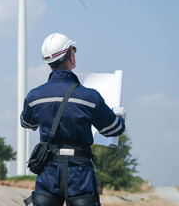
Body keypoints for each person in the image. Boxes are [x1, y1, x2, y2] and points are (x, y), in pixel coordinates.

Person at [21, 33, 126, 206]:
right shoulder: (89, 96)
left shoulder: (35, 96)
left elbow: (26, 123)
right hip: (80, 172)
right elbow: (114, 129)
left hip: (48, 171)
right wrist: (119, 116)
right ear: (70, 55)